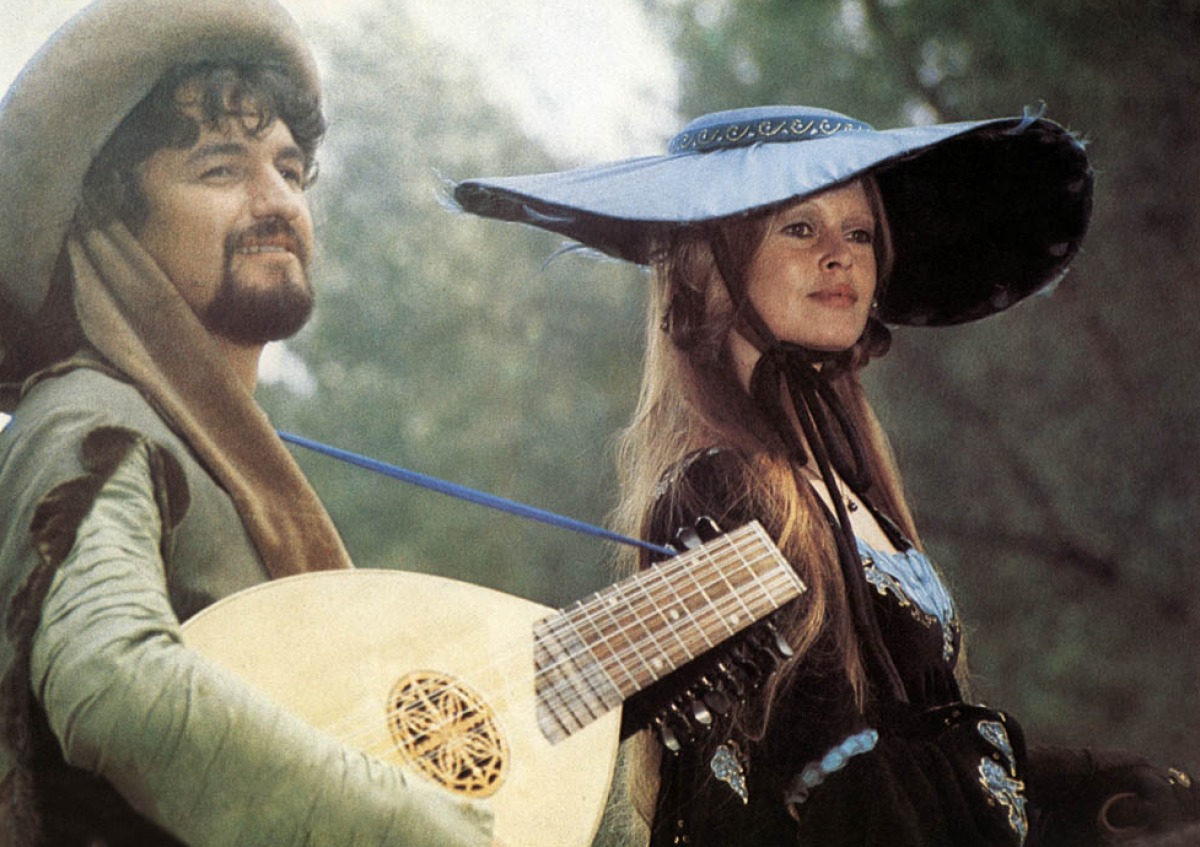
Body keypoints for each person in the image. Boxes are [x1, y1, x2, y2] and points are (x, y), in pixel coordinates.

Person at [454, 107, 1200, 845]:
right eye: (800, 228)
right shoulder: (717, 490)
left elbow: (918, 742)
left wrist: (1093, 784)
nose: (840, 256)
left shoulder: (853, 492)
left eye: (860, 233)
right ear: (713, 268)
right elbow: (836, 781)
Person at [0, 1, 495, 844]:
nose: (277, 202)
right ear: (113, 221)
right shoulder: (91, 416)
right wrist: (424, 828)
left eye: (291, 171)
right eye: (221, 170)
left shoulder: (217, 455)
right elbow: (109, 681)